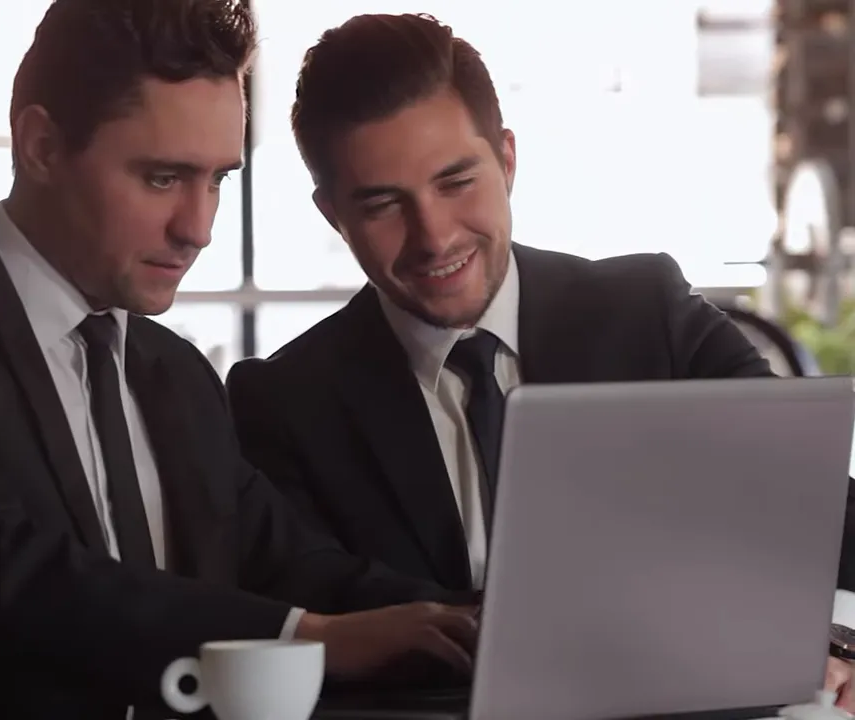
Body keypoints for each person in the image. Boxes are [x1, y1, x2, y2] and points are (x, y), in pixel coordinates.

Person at [0, 2, 481, 718]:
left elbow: (295, 567)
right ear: (42, 146)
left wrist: (495, 622)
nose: (198, 228)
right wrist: (304, 637)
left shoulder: (173, 372)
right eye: (163, 178)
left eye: (219, 180)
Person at [224, 11, 855, 708]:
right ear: (332, 216)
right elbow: (322, 600)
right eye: (382, 204)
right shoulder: (283, 402)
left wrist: (827, 639)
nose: (435, 237)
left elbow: (800, 503)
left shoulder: (648, 310)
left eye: (456, 181)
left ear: (508, 160)